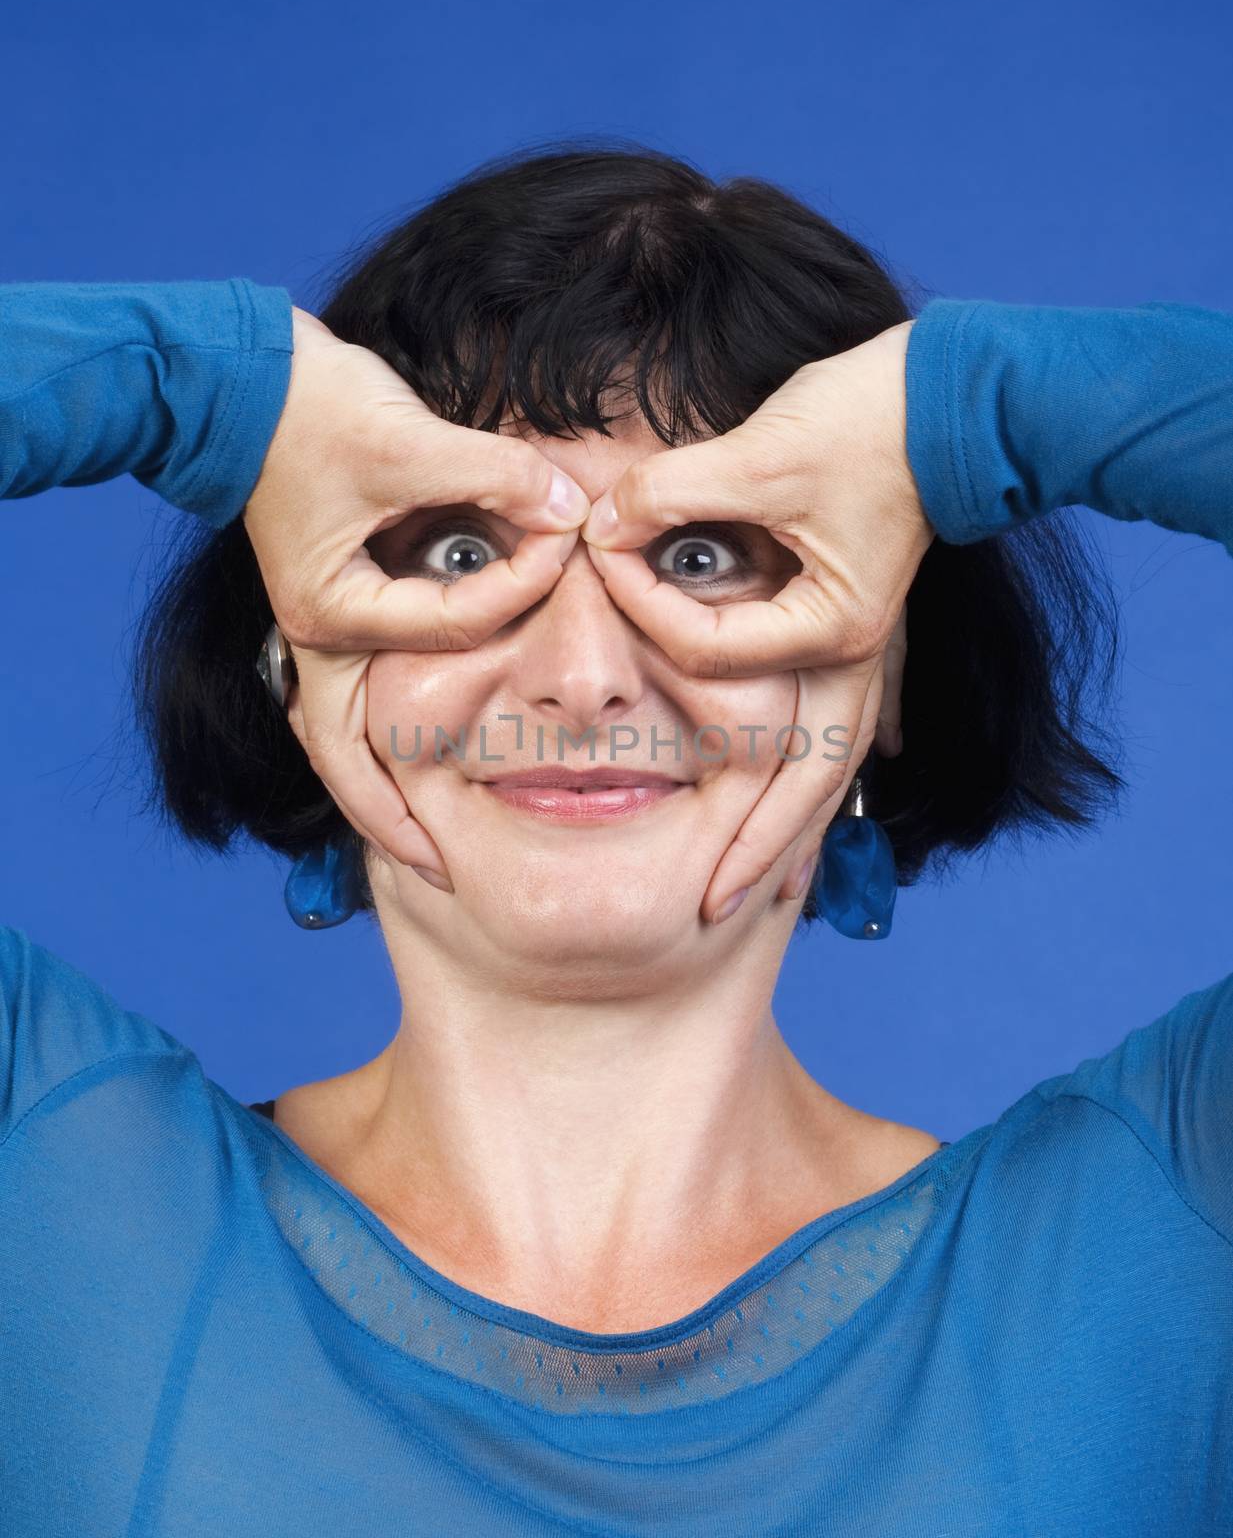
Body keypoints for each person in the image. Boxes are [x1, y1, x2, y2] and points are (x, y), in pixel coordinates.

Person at [0, 144, 1228, 1535]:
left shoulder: (1169, 1230)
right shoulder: (41, 1194)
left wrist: (968, 408)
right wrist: (210, 389)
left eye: (710, 554)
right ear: (297, 660)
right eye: (459, 550)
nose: (582, 676)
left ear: (885, 674)